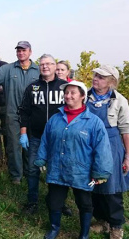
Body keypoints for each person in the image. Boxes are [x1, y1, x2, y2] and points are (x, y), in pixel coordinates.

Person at [34, 81, 113, 239]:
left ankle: (84, 234)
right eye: (66, 93)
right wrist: (41, 158)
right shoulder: (55, 119)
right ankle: (54, 228)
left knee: (84, 203)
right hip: (57, 168)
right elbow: (45, 140)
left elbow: (102, 148)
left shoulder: (93, 122)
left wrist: (101, 172)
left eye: (72, 93)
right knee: (54, 202)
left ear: (82, 96)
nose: (68, 96)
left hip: (81, 171)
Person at [18, 54, 68, 215]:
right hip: (36, 137)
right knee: (32, 169)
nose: (45, 66)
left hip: (59, 139)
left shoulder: (64, 87)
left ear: (55, 66)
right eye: (42, 64)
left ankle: (59, 203)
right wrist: (23, 133)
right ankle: (32, 201)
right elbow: (24, 112)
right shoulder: (32, 88)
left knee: (58, 171)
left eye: (49, 64)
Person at [0, 41, 40, 184]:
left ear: (30, 52)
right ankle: (16, 175)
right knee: (14, 146)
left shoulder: (38, 70)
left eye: (24, 50)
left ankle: (30, 173)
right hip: (13, 114)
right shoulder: (9, 69)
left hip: (32, 116)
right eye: (18, 50)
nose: (21, 53)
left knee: (31, 145)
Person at [87, 65, 129, 239]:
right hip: (89, 144)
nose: (96, 78)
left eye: (101, 77)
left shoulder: (119, 100)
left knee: (112, 187)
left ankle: (116, 226)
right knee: (93, 185)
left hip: (111, 145)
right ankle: (101, 220)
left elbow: (125, 129)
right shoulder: (85, 96)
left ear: (111, 82)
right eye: (96, 75)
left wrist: (127, 155)